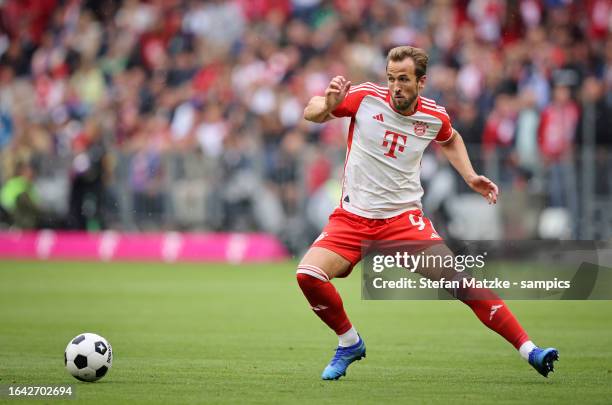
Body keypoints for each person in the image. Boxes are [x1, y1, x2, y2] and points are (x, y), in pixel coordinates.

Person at [298, 46, 558, 380]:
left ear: (422, 82)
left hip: (402, 222)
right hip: (352, 218)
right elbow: (312, 112)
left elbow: (450, 138)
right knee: (308, 275)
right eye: (391, 78)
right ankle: (349, 342)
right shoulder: (364, 97)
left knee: (462, 284)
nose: (395, 86)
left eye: (403, 79)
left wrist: (470, 176)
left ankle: (531, 350)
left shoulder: (433, 115)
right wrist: (330, 104)